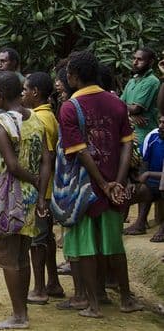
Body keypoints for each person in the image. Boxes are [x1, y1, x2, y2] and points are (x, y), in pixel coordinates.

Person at [59, 50, 142, 316]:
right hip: (112, 184)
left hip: (85, 186)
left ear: (73, 76)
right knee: (113, 243)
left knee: (85, 247)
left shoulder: (70, 106)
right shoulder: (116, 102)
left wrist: (103, 184)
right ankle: (127, 299)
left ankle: (93, 304)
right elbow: (127, 145)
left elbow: (81, 152)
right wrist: (116, 183)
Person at [0, 71, 48, 330]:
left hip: (8, 197)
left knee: (9, 258)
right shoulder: (36, 120)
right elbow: (46, 161)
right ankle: (23, 311)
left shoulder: (1, 122)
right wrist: (40, 192)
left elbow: (10, 164)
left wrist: (28, 179)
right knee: (23, 255)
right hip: (30, 197)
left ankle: (18, 315)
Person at [22, 72, 65, 304]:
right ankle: (53, 283)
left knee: (37, 240)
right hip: (46, 189)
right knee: (46, 237)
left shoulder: (40, 119)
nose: (22, 94)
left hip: (41, 190)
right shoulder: (48, 115)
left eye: (25, 90)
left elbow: (46, 157)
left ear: (35, 92)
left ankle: (39, 289)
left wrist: (40, 195)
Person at [122, 47, 160, 235]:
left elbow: (135, 108)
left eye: (140, 60)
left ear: (150, 62)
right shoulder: (132, 81)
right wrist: (130, 115)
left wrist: (129, 111)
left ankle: (141, 221)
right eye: (134, 58)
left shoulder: (152, 81)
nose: (135, 62)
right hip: (130, 136)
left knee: (142, 180)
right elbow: (123, 106)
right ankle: (125, 218)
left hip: (146, 138)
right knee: (128, 178)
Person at [131, 114, 164, 242]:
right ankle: (140, 223)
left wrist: (149, 174)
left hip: (160, 181)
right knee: (140, 189)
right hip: (154, 182)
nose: (161, 127)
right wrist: (137, 180)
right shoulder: (153, 136)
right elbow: (144, 162)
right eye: (160, 122)